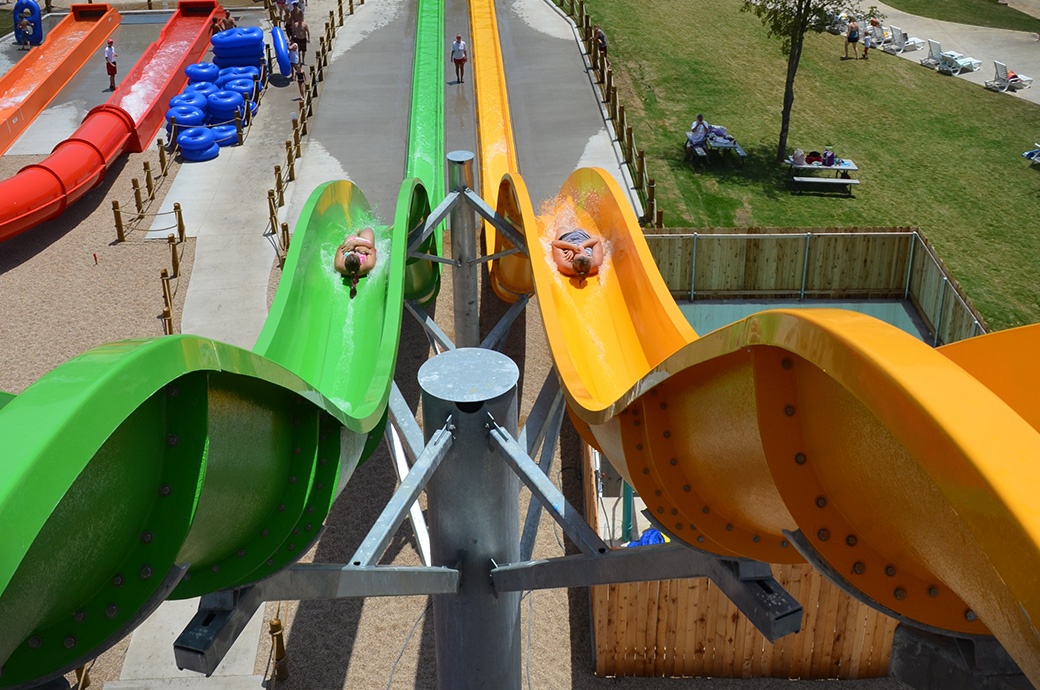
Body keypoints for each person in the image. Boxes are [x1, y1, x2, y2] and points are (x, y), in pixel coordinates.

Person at [334, 227, 377, 298]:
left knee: (352, 237)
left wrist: (352, 244)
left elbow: (340, 248)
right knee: (368, 230)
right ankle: (359, 232)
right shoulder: (367, 265)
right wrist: (357, 246)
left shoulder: (339, 265)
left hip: (350, 242)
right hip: (363, 243)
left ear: (344, 263)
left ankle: (357, 233)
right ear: (360, 263)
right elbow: (373, 249)